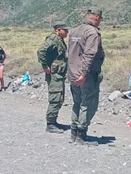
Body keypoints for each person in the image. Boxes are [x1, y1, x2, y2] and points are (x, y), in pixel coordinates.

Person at [67, 9, 105, 145]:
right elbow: (89, 54)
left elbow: (70, 53)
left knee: (77, 102)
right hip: (86, 75)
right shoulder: (92, 32)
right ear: (96, 17)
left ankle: (73, 133)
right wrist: (84, 73)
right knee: (88, 103)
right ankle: (81, 135)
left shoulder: (74, 31)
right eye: (100, 18)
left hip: (73, 72)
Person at [37, 22, 69, 133]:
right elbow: (41, 51)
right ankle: (50, 124)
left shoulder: (58, 40)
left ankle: (53, 121)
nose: (67, 32)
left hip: (59, 74)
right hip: (54, 74)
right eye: (65, 30)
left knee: (59, 97)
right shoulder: (53, 39)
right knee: (55, 98)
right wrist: (45, 66)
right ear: (58, 30)